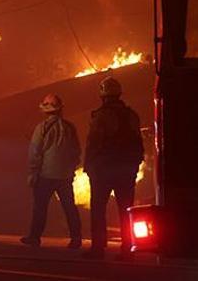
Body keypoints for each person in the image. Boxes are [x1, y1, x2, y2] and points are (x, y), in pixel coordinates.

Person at [83, 76, 144, 260]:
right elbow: (138, 142)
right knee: (126, 210)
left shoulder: (101, 116)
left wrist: (89, 166)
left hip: (104, 169)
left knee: (98, 208)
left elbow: (93, 143)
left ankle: (98, 248)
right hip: (126, 169)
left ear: (103, 95)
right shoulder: (132, 115)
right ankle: (128, 249)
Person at [20, 94, 83, 249]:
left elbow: (35, 152)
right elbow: (76, 151)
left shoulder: (42, 128)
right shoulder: (70, 127)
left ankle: (35, 237)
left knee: (40, 207)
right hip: (65, 176)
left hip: (45, 175)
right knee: (69, 207)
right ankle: (76, 238)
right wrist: (71, 169)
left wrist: (33, 173)